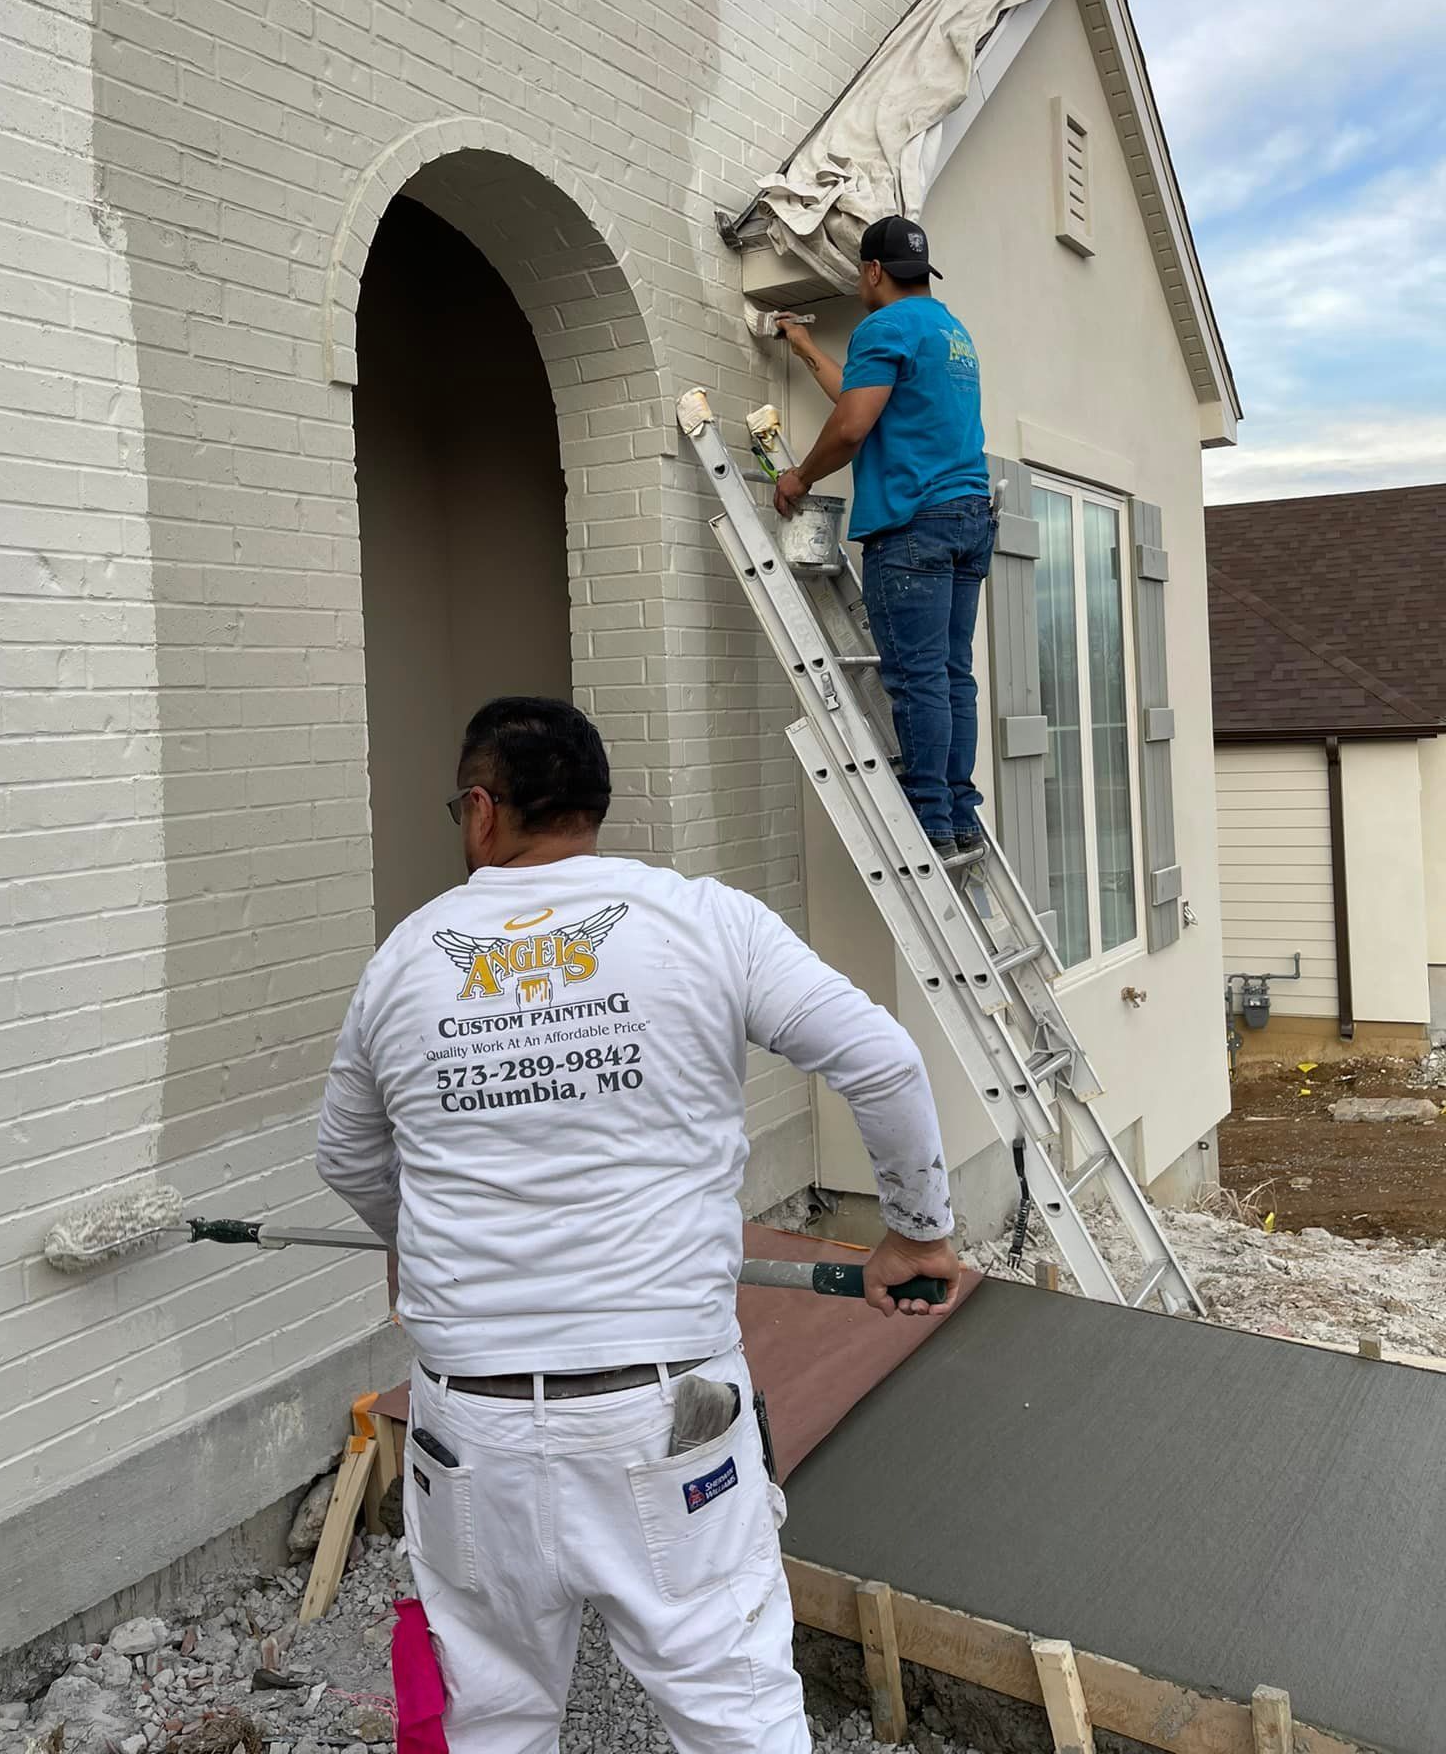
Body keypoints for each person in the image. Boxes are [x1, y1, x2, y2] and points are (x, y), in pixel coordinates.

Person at [316, 695, 962, 1754]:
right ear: (593, 805)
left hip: (468, 1425)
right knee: (730, 1707)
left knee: (490, 1713)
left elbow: (345, 1153)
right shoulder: (703, 920)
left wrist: (414, 1245)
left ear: (482, 809)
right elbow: (881, 1060)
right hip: (670, 1416)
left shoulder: (408, 957)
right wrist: (917, 1231)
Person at [774, 215, 994, 858]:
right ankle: (956, 810)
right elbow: (859, 396)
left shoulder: (884, 325)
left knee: (919, 677)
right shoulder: (949, 331)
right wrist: (806, 348)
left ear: (872, 272)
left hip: (914, 524)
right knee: (952, 674)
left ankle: (930, 818)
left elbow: (851, 427)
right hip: (966, 517)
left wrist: (799, 477)